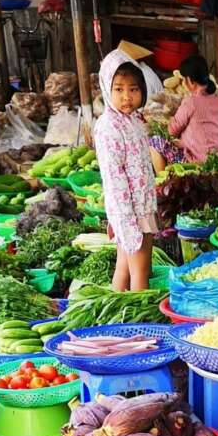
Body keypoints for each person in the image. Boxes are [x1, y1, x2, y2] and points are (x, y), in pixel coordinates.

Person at [93, 51, 159, 293]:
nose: (127, 97)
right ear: (106, 88)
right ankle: (138, 320)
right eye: (119, 89)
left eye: (133, 89)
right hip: (130, 212)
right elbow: (114, 179)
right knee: (140, 271)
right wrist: (127, 220)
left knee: (125, 266)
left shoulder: (134, 120)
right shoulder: (108, 126)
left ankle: (117, 317)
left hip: (142, 206)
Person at [169, 54, 218, 161]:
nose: (183, 83)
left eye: (183, 79)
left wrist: (171, 121)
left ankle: (165, 178)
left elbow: (172, 130)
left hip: (199, 161)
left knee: (156, 142)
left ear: (190, 81)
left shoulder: (190, 102)